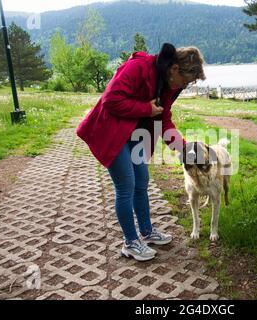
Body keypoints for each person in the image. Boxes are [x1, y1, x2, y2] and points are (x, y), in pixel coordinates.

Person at [76, 44, 206, 262]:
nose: (185, 86)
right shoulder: (139, 67)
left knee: (141, 181)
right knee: (126, 185)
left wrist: (183, 148)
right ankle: (130, 243)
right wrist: (145, 109)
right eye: (186, 81)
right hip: (112, 132)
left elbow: (163, 119)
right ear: (175, 68)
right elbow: (110, 99)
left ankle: (146, 232)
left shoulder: (168, 86)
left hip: (136, 135)